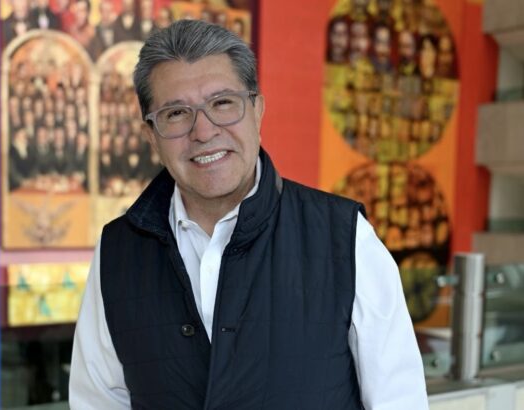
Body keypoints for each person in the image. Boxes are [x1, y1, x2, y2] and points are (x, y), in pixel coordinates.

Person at [69, 20, 428, 409]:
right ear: (151, 136)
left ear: (257, 111)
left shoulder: (344, 236)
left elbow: (399, 400)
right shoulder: (118, 250)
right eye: (176, 113)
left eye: (222, 103)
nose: (203, 131)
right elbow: (98, 401)